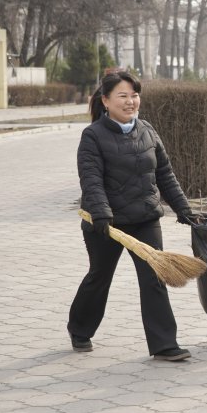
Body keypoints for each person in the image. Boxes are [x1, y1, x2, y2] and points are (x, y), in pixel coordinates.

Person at [68, 70, 195, 361]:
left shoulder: (148, 130)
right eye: (122, 96)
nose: (130, 102)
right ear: (106, 101)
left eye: (134, 95)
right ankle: (79, 328)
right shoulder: (93, 136)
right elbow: (91, 179)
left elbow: (164, 174)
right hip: (106, 224)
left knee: (154, 277)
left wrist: (183, 209)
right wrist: (100, 213)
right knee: (100, 276)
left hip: (145, 219)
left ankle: (164, 345)